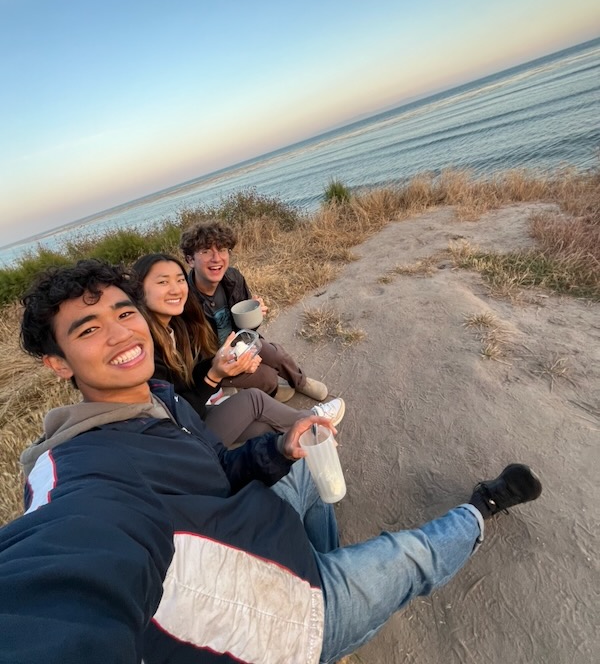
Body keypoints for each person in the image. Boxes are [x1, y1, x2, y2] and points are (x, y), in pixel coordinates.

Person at [0, 259, 543, 664]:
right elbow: (62, 577)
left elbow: (218, 470)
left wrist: (279, 448)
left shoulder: (159, 397)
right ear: (57, 363)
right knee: (412, 556)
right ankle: (484, 505)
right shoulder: (74, 470)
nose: (120, 332)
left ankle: (328, 555)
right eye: (89, 329)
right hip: (273, 616)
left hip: (253, 530)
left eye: (122, 312)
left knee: (306, 462)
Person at [131, 253, 345, 445]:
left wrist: (220, 360)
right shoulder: (144, 348)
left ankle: (305, 425)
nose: (176, 289)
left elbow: (187, 377)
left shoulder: (175, 325)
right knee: (255, 397)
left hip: (201, 396)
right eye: (163, 282)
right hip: (178, 439)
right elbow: (175, 413)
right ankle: (314, 420)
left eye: (179, 280)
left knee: (264, 428)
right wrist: (214, 376)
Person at [180, 220, 328, 403]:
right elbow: (192, 361)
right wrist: (240, 364)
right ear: (190, 260)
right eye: (205, 251)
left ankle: (301, 381)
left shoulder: (233, 279)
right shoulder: (183, 301)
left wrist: (255, 315)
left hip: (241, 341)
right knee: (267, 377)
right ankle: (269, 389)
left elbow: (247, 328)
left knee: (276, 354)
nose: (217, 258)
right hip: (214, 362)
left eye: (222, 249)